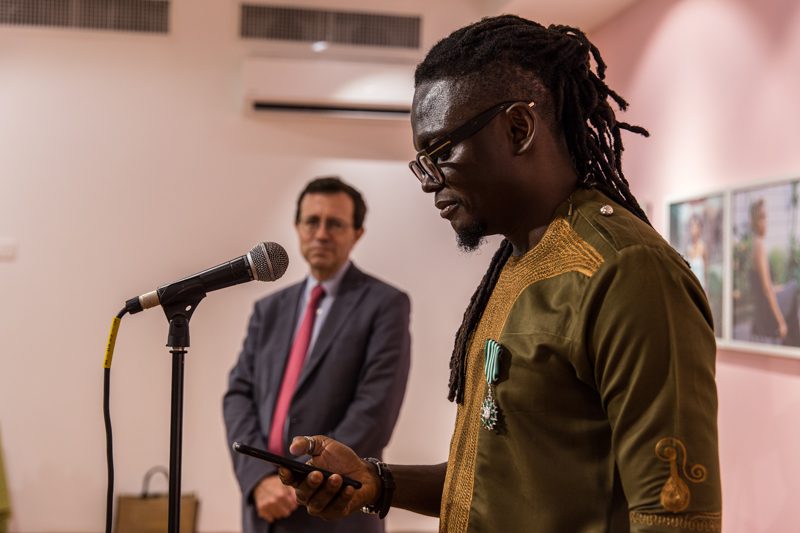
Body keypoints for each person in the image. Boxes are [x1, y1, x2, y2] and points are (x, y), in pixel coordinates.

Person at [278, 15, 722, 533]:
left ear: (518, 129)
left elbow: (675, 517)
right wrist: (377, 482)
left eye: (441, 151)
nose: (429, 181)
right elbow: (495, 482)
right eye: (422, 161)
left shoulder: (626, 271)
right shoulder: (515, 263)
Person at [223, 176, 411, 533]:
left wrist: (301, 482)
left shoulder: (385, 305)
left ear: (357, 234)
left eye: (335, 224)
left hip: (336, 507)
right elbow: (239, 395)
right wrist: (259, 479)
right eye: (312, 221)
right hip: (264, 510)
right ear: (297, 228)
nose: (321, 234)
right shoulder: (269, 309)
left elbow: (375, 410)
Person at [686, 215, 708, 292]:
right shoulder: (688, 248)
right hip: (690, 289)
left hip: (701, 289)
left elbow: (706, 271)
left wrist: (706, 291)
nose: (693, 229)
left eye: (695, 226)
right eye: (691, 226)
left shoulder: (703, 247)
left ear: (699, 229)